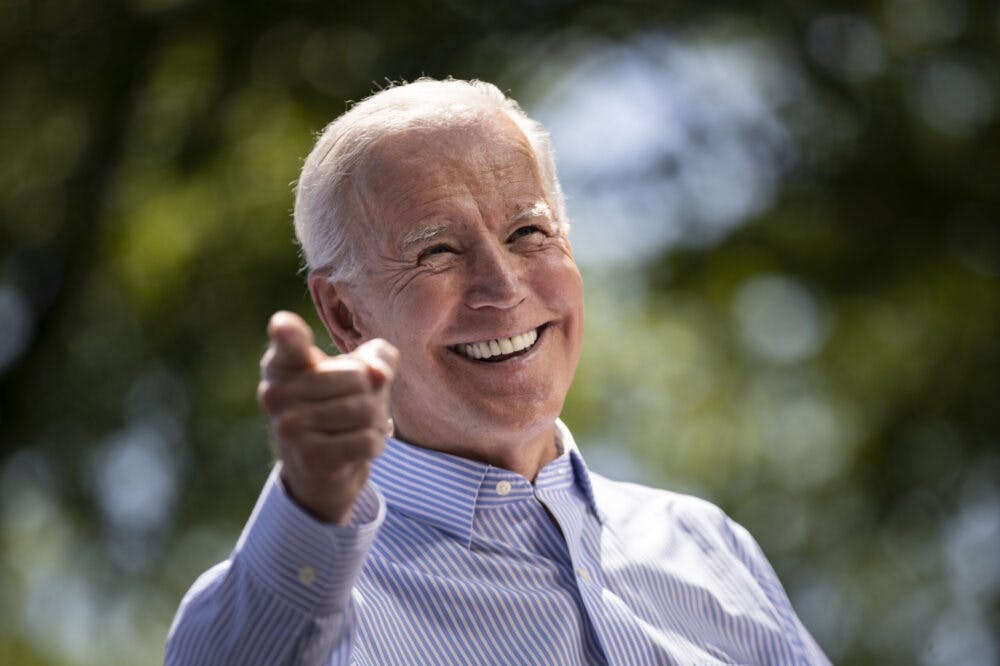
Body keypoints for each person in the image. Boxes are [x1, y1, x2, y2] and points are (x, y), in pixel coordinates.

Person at [165, 78, 829, 665]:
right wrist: (310, 502)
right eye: (438, 251)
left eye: (527, 234)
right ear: (344, 314)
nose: (503, 287)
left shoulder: (707, 546)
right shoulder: (312, 608)